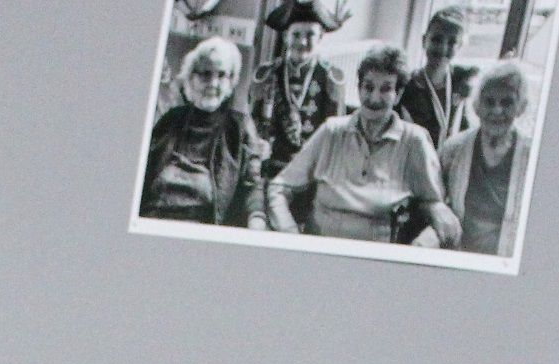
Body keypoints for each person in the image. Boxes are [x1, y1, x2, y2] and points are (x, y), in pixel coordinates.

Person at [258, 44, 461, 245]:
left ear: (398, 95)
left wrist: (421, 244)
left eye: (386, 89)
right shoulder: (332, 132)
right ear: (359, 88)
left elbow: (434, 205)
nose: (374, 98)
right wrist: (290, 233)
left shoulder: (414, 141)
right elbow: (279, 186)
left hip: (376, 259)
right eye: (368, 87)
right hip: (320, 250)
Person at [141, 37, 261, 226]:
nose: (213, 83)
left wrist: (257, 218)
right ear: (190, 78)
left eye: (222, 75)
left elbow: (253, 185)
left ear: (231, 83)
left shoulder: (239, 128)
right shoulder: (170, 120)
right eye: (205, 74)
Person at [439, 61, 537, 256]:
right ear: (476, 107)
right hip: (457, 252)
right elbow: (436, 202)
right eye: (489, 101)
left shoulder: (532, 155)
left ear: (521, 107)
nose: (497, 110)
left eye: (507, 102)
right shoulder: (454, 148)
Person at [246, 1, 349, 181]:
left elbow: (335, 135)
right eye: (296, 35)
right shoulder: (266, 74)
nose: (302, 42)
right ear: (286, 36)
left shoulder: (331, 78)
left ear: (320, 37)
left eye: (310, 35)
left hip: (311, 173)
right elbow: (252, 123)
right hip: (270, 169)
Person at [399, 6, 474, 148]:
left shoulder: (460, 84)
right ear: (424, 41)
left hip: (449, 163)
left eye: (452, 42)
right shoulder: (407, 86)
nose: (443, 48)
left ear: (459, 47)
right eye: (436, 39)